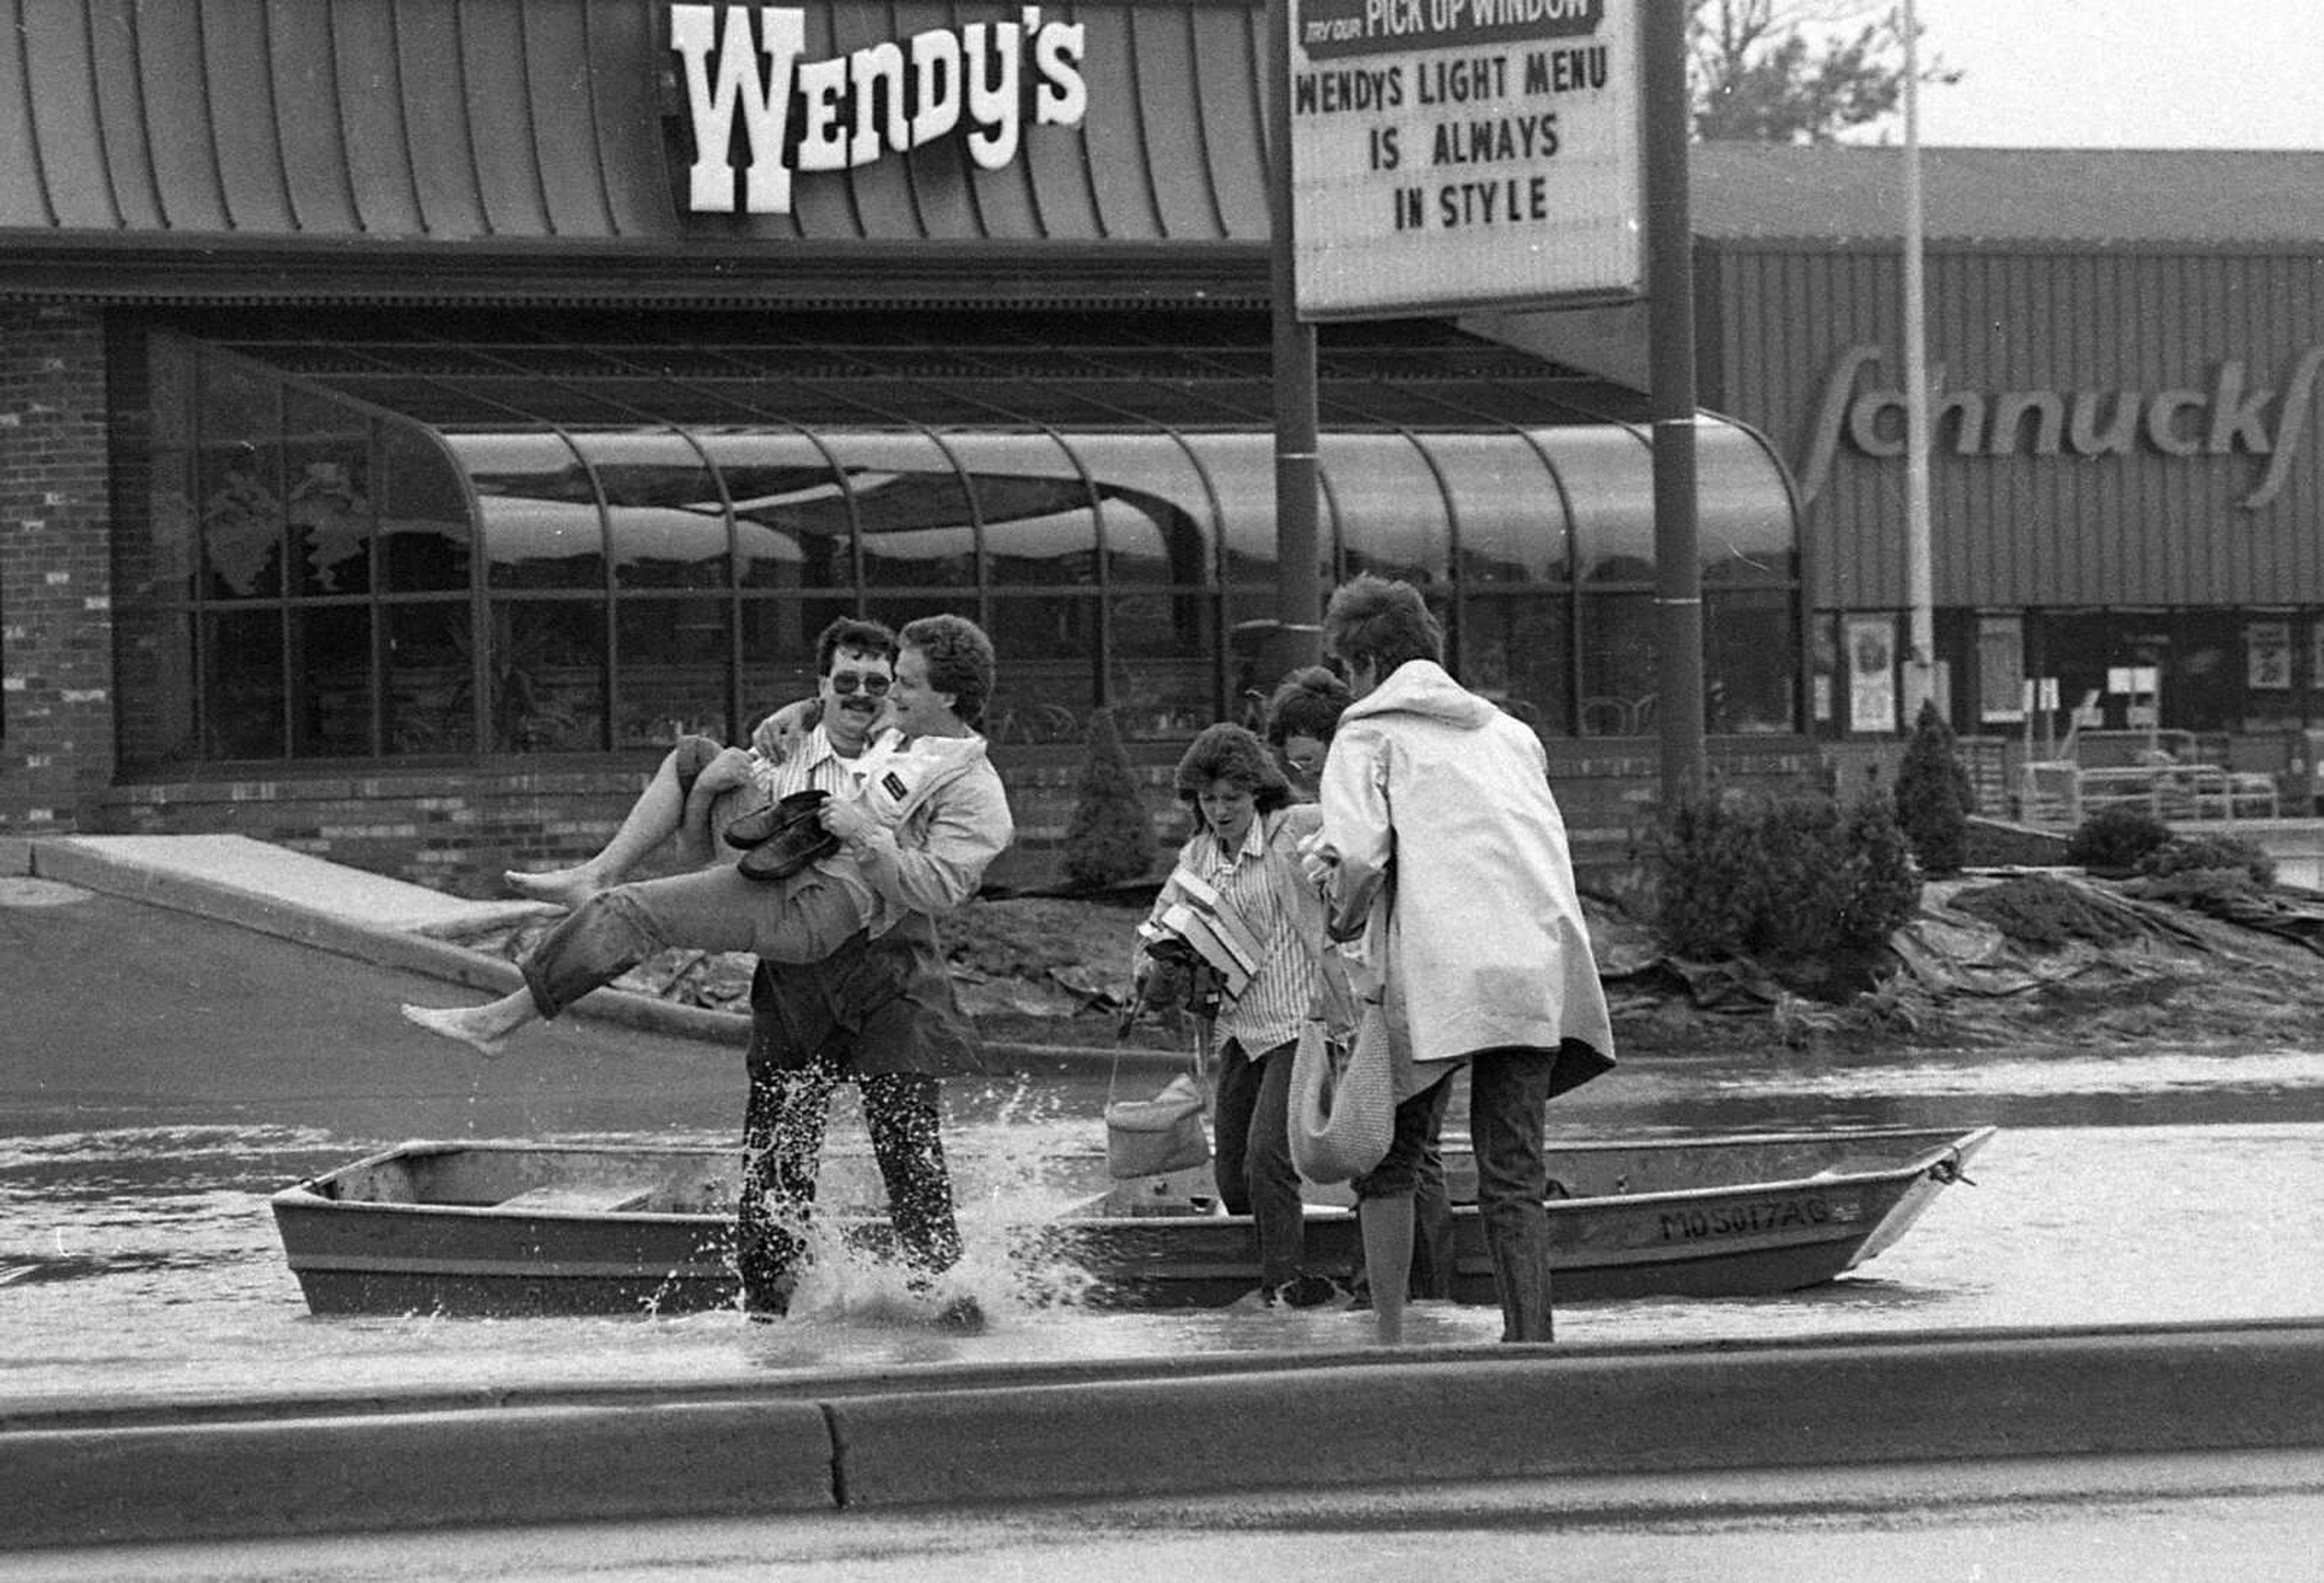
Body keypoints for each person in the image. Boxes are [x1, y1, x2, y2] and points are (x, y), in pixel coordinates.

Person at [400, 615, 1013, 1063]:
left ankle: (498, 1022)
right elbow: (840, 699)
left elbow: (942, 886)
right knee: (695, 764)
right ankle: (593, 879)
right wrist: (795, 714)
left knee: (631, 914)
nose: (887, 695)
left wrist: (866, 836)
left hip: (824, 904)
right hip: (788, 855)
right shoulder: (902, 726)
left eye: (902, 683)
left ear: (947, 697)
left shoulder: (971, 786)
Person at [1301, 575, 1615, 1346]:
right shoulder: (1512, 734)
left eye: (1347, 667)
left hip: (1437, 972)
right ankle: (1530, 1338)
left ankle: (1391, 1338)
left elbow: (1356, 859)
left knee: (1390, 1155)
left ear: (1368, 662)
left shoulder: (1367, 734)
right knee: (1512, 1168)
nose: (1346, 683)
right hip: (1537, 967)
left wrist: (1334, 923)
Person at [1134, 723, 1348, 1309]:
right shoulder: (1198, 854)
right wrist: (1144, 970)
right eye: (1209, 799)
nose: (1221, 809)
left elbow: (1358, 828)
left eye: (1233, 797)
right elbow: (1159, 922)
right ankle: (1278, 1262)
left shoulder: (1293, 828)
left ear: (1258, 793)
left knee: (1266, 1159)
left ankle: (1283, 1286)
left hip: (1300, 1023)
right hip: (1237, 1030)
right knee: (1230, 1170)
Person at [1262, 664, 1456, 1309]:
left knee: (1403, 1152)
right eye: (1294, 767)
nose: (1307, 780)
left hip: (1407, 995)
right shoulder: (1310, 825)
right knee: (1392, 1148)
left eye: (1313, 762)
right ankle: (1400, 1294)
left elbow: (1358, 896)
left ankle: (1405, 1298)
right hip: (1370, 1002)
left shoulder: (1374, 806)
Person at [499, 619, 901, 909]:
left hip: (831, 909)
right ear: (822, 686)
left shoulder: (906, 754)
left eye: (877, 684)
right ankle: (599, 875)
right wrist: (707, 787)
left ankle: (600, 877)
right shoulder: (782, 751)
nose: (861, 694)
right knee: (696, 756)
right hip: (762, 891)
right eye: (847, 682)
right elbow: (694, 863)